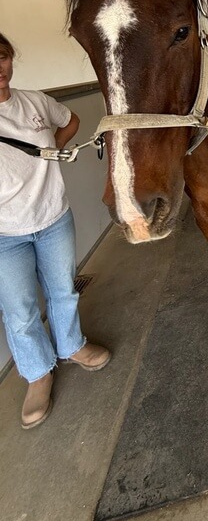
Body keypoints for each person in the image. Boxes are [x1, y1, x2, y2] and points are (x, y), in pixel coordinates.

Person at [0, 33, 111, 429]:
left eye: (2, 57)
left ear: (11, 59)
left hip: (52, 216)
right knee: (20, 311)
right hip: (4, 234)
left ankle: (71, 346)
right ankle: (38, 374)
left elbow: (71, 121)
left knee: (62, 290)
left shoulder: (34, 102)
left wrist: (50, 155)